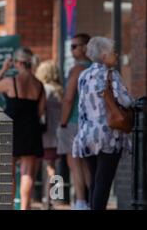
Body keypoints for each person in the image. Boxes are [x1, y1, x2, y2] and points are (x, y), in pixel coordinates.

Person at [72, 36, 134, 210]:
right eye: (113, 52)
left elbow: (82, 106)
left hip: (86, 135)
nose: (116, 55)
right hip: (108, 135)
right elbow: (126, 101)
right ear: (104, 55)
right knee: (103, 183)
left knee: (94, 180)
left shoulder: (83, 75)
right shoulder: (110, 74)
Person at [0, 47, 46, 210]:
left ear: (17, 63)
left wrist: (3, 68)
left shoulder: (12, 81)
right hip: (31, 129)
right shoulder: (39, 85)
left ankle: (8, 206)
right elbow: (40, 111)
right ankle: (25, 207)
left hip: (12, 128)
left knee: (8, 173)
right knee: (27, 173)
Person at [57, 33, 92, 210]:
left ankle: (80, 201)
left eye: (74, 46)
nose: (71, 50)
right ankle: (92, 198)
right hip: (89, 122)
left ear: (85, 47)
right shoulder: (95, 67)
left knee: (74, 163)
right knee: (85, 164)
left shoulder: (77, 69)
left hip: (73, 121)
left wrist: (62, 123)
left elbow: (68, 98)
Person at [35, 60, 63, 210]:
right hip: (57, 135)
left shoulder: (43, 89)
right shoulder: (60, 91)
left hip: (43, 135)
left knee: (34, 167)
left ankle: (41, 199)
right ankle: (52, 199)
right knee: (53, 169)